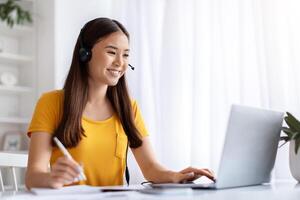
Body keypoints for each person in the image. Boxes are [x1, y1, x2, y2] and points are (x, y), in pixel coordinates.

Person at [25, 17, 215, 189]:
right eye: (111, 52)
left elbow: (150, 168)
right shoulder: (51, 103)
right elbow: (33, 176)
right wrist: (52, 179)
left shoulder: (128, 108)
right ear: (85, 54)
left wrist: (178, 176)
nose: (120, 63)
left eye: (125, 55)